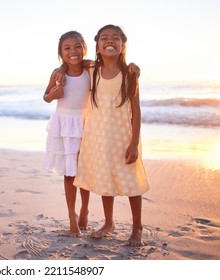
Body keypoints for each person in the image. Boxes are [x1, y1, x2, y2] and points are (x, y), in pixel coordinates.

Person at [74, 25, 149, 246]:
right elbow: (70, 63)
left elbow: (136, 112)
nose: (110, 41)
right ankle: (109, 223)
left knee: (131, 181)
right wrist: (59, 71)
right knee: (105, 177)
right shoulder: (91, 69)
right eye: (104, 38)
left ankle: (137, 227)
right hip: (97, 136)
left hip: (122, 136)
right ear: (97, 45)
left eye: (115, 38)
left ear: (123, 45)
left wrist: (134, 143)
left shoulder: (129, 74)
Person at [42, 31, 91, 237]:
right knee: (70, 174)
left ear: (85, 48)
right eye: (67, 48)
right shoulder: (57, 74)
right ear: (60, 53)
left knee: (85, 171)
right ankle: (72, 217)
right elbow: (46, 97)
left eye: (77, 46)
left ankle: (84, 210)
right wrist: (52, 94)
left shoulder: (91, 69)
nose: (73, 51)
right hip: (64, 125)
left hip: (87, 123)